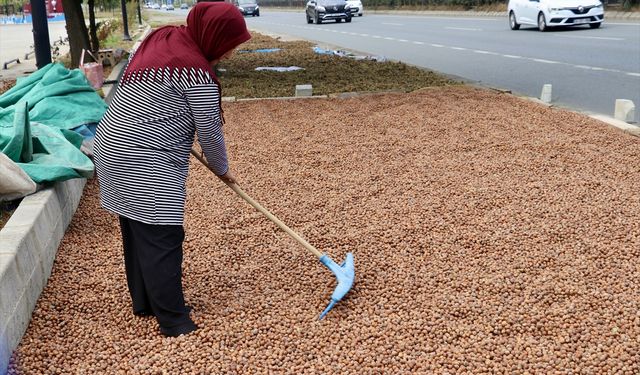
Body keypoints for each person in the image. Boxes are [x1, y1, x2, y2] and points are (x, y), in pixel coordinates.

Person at [93, 2, 251, 337]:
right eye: (230, 45)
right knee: (163, 234)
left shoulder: (162, 39)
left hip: (110, 145)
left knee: (138, 230)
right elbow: (210, 134)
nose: (231, 54)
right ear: (214, 36)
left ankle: (147, 302)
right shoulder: (197, 74)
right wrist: (223, 170)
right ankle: (174, 321)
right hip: (143, 159)